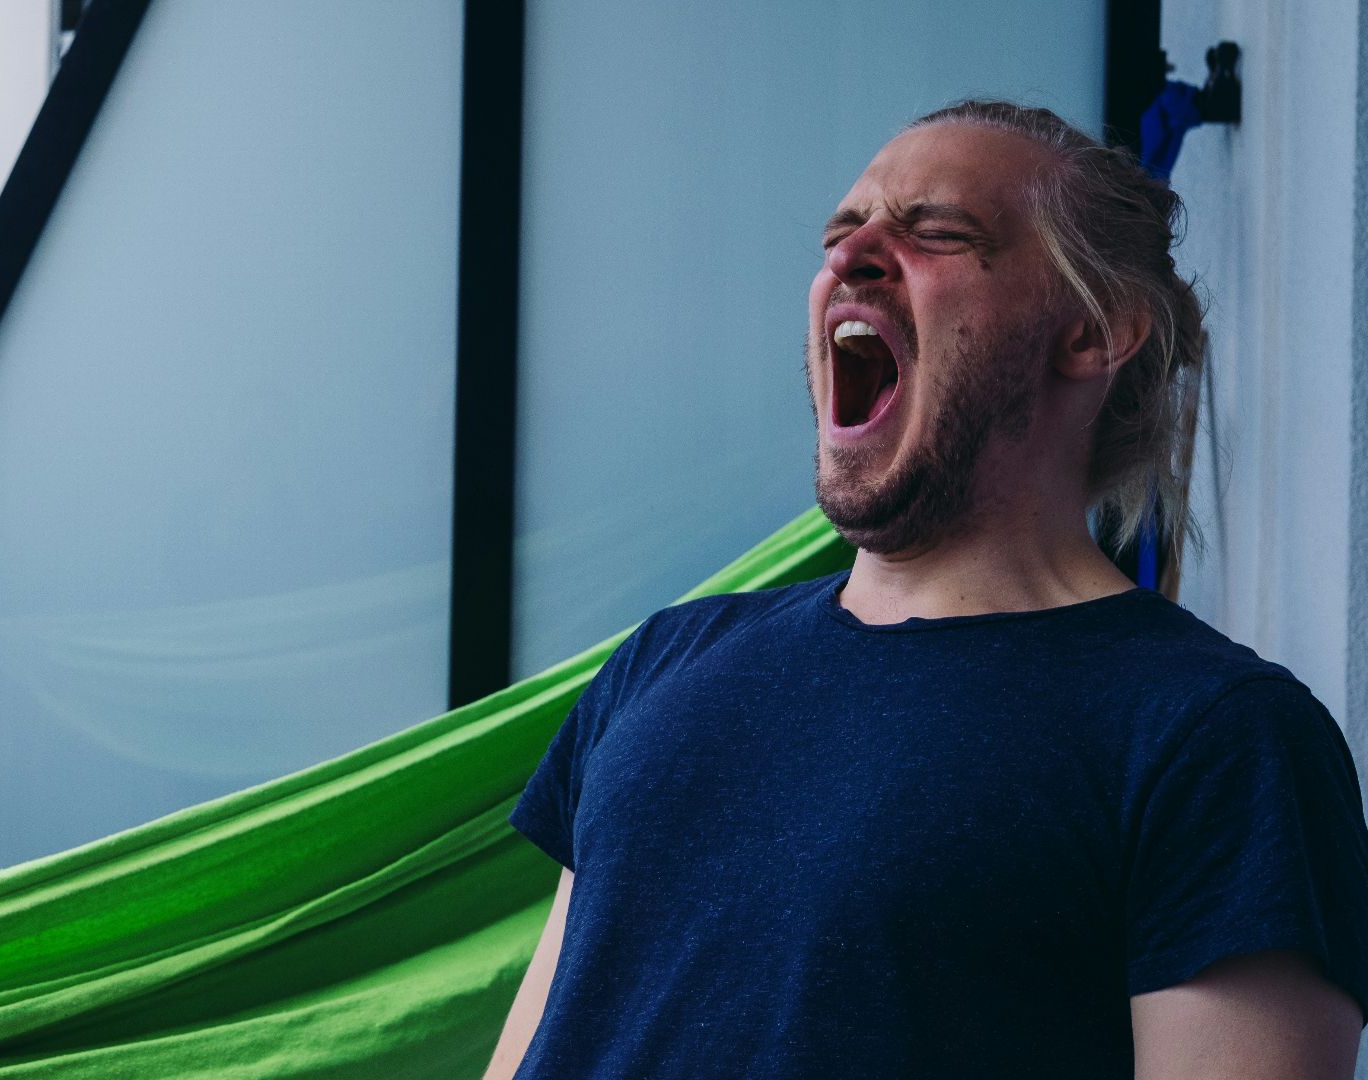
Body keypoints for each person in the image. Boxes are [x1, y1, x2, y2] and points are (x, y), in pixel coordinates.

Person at [482, 100, 1368, 1079]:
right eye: (840, 233)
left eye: (935, 231)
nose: (852, 255)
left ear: (1093, 331)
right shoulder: (660, 664)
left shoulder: (1219, 741)